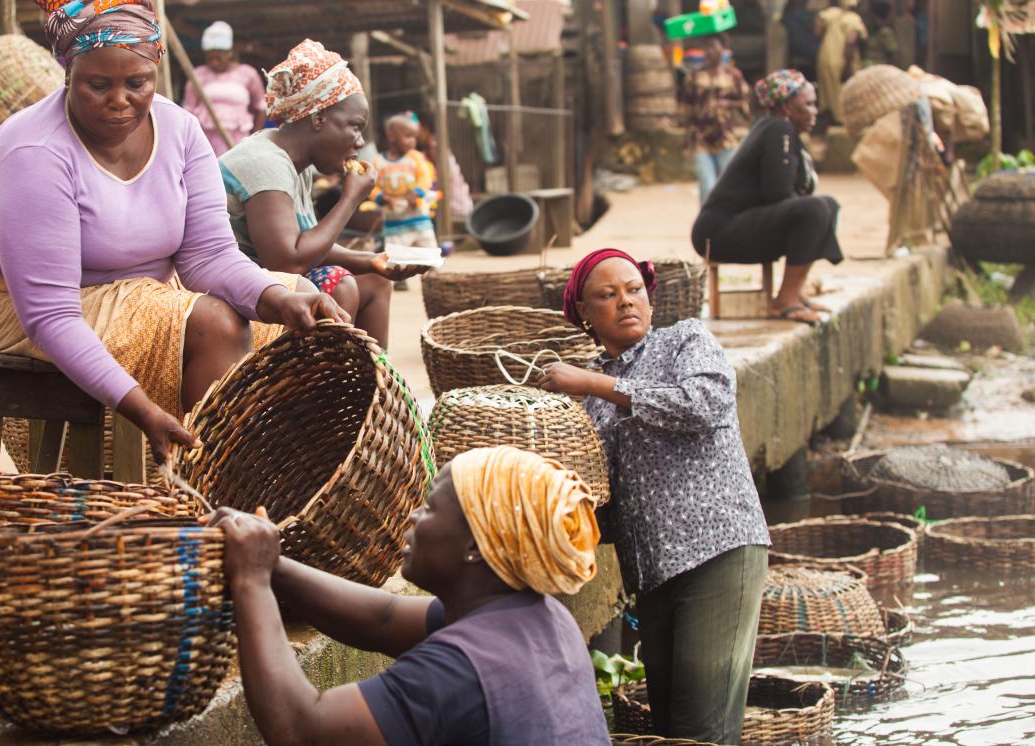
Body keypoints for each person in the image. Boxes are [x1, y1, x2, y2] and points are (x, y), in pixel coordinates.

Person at [0, 0, 346, 464]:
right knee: (215, 325)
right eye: (98, 85)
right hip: (7, 299)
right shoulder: (36, 153)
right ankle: (208, 493)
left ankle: (257, 477)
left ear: (155, 71)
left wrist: (278, 299)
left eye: (137, 84)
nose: (120, 100)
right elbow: (50, 315)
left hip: (138, 284)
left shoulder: (180, 130)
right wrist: (140, 408)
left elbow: (209, 256)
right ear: (68, 74)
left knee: (298, 296)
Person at [207, 445, 609, 745]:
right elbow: (383, 617)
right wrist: (270, 563)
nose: (414, 516)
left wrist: (251, 581)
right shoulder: (547, 616)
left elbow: (299, 729)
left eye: (431, 508)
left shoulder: (457, 671)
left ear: (475, 545)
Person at [537, 248, 770, 745]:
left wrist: (593, 382)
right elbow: (607, 499)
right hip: (654, 571)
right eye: (607, 295)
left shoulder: (685, 340)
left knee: (700, 729)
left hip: (719, 551)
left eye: (634, 290)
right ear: (584, 313)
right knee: (668, 727)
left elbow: (702, 405)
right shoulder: (592, 406)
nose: (625, 302)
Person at [218, 39, 423, 349]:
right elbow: (288, 260)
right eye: (354, 127)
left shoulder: (296, 164)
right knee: (337, 284)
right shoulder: (264, 161)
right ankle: (328, 392)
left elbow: (309, 243)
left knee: (375, 281)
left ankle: (375, 385)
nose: (359, 142)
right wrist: (350, 199)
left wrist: (374, 261)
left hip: (268, 280)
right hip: (235, 291)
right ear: (317, 118)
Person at [690, 70, 842, 325]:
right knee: (815, 209)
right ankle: (785, 300)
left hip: (743, 225)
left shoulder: (784, 132)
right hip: (717, 233)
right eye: (808, 104)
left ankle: (796, 292)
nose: (815, 111)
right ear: (787, 107)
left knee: (828, 206)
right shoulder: (777, 129)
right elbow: (778, 193)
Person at [680, 33, 751, 205]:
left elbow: (747, 103)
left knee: (728, 185)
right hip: (700, 138)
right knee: (707, 186)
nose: (710, 51)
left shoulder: (733, 76)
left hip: (726, 137)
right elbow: (686, 106)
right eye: (707, 47)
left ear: (722, 49)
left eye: (713, 46)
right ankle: (707, 228)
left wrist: (728, 104)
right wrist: (686, 135)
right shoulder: (694, 76)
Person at [180, 21, 265, 157]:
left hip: (238, 142)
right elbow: (187, 111)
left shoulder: (247, 74)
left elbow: (262, 107)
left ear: (229, 53)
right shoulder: (197, 75)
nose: (214, 62)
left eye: (218, 58)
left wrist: (255, 136)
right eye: (210, 58)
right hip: (205, 141)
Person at [372, 112, 439, 248]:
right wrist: (381, 197)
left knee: (428, 252)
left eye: (415, 137)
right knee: (397, 258)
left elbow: (425, 177)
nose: (413, 141)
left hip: (418, 218)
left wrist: (417, 192)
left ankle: (432, 269)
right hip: (394, 222)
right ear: (391, 136)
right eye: (408, 136)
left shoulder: (416, 158)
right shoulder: (378, 162)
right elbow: (371, 185)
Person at [815, 0, 867, 125]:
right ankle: (842, 122)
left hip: (825, 57)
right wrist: (847, 65)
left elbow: (817, 32)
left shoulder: (827, 14)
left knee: (827, 93)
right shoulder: (853, 19)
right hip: (843, 60)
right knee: (844, 93)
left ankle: (830, 121)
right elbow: (851, 42)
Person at [782, 0, 820, 78]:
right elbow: (815, 28)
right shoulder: (797, 12)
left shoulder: (789, 13)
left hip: (797, 46)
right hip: (805, 46)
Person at [863, 2, 901, 68]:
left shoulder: (885, 33)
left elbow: (893, 55)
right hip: (868, 68)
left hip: (879, 69)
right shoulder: (870, 30)